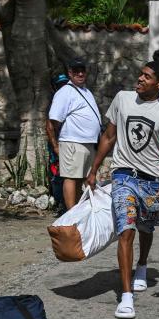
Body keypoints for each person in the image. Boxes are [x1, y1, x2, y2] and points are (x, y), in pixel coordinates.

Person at [86, 61, 159, 319]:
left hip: (151, 179)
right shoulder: (122, 99)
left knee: (145, 227)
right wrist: (94, 168)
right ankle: (126, 296)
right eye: (140, 74)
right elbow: (109, 136)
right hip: (122, 175)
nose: (140, 79)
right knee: (126, 228)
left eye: (147, 76)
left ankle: (142, 265)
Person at [47, 58, 102, 209]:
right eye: (76, 71)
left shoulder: (86, 91)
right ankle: (71, 215)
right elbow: (52, 122)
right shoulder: (65, 92)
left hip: (88, 143)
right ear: (70, 73)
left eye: (82, 70)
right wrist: (56, 146)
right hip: (72, 142)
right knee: (71, 178)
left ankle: (76, 211)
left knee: (80, 179)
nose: (80, 73)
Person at [46, 73, 70, 214]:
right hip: (58, 145)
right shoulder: (55, 101)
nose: (63, 87)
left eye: (65, 84)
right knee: (58, 175)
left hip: (71, 143)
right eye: (60, 85)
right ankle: (61, 203)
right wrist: (55, 146)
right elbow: (49, 126)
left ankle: (68, 204)